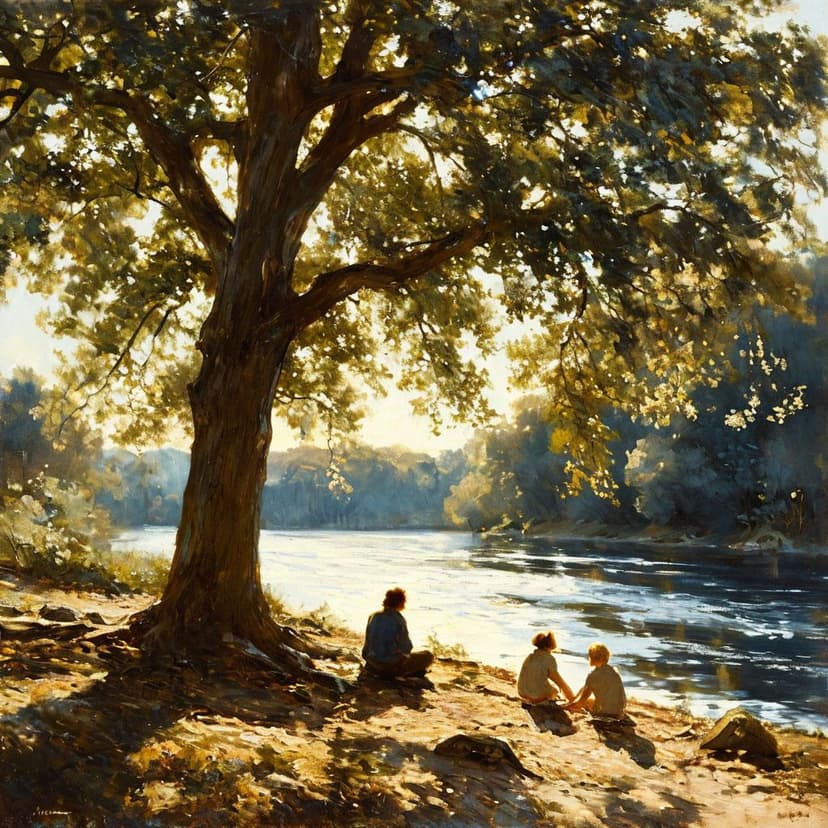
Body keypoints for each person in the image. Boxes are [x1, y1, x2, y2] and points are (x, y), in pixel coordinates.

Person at [362, 587, 434, 678]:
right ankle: (401, 673)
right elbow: (407, 647)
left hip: (371, 663)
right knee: (428, 655)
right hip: (388, 666)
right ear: (400, 602)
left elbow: (368, 643)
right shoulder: (398, 619)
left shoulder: (373, 616)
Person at [564, 642, 627, 718]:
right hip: (619, 711)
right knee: (587, 688)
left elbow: (581, 702)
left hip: (604, 713)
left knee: (588, 701)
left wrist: (566, 706)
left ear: (592, 657)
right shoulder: (614, 670)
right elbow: (587, 687)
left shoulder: (593, 675)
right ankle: (573, 699)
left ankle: (573, 701)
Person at [517, 630, 575, 705]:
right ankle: (543, 700)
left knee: (545, 683)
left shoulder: (530, 656)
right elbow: (560, 682)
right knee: (555, 690)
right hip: (536, 695)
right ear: (552, 644)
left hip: (522, 692)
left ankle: (535, 699)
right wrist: (572, 698)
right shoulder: (549, 659)